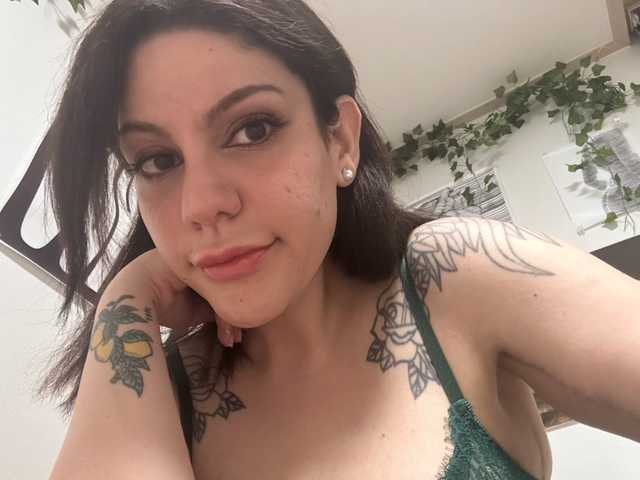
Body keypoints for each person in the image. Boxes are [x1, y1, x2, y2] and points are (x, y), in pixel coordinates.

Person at [36, 1, 639, 479]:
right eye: (157, 160)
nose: (201, 205)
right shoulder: (165, 391)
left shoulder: (452, 276)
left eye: (253, 129)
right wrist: (127, 297)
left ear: (340, 141)